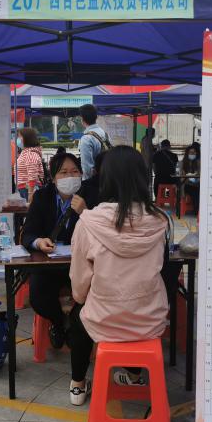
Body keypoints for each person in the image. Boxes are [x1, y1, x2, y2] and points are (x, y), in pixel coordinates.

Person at [67, 146, 169, 405]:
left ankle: (78, 384)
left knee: (77, 316)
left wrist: (83, 298)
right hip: (150, 320)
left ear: (106, 178)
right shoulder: (160, 221)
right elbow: (164, 269)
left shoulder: (89, 222)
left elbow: (79, 283)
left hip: (104, 320)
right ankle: (134, 376)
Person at [21, 153, 93, 349]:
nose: (70, 177)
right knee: (38, 295)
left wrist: (86, 212)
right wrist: (39, 242)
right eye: (63, 172)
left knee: (93, 293)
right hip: (48, 265)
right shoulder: (42, 197)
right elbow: (28, 233)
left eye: (75, 172)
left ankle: (77, 327)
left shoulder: (91, 196)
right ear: (53, 178)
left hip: (81, 265)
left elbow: (102, 234)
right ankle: (59, 322)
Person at [78, 104, 111, 180]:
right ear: (96, 117)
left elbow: (87, 169)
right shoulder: (105, 134)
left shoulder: (86, 139)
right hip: (107, 177)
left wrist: (86, 183)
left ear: (82, 119)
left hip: (94, 182)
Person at [15, 128, 45, 201]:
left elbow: (32, 174)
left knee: (30, 207)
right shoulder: (26, 152)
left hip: (28, 189)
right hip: (25, 188)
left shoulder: (30, 154)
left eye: (19, 136)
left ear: (27, 138)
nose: (18, 139)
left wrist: (30, 193)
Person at [180, 144, 200, 214]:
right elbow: (181, 177)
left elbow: (200, 173)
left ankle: (198, 210)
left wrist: (196, 179)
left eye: (194, 152)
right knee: (195, 191)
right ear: (187, 154)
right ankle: (197, 211)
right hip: (187, 184)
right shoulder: (183, 163)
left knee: (198, 189)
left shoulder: (198, 162)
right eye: (191, 153)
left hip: (197, 184)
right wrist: (188, 178)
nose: (192, 154)